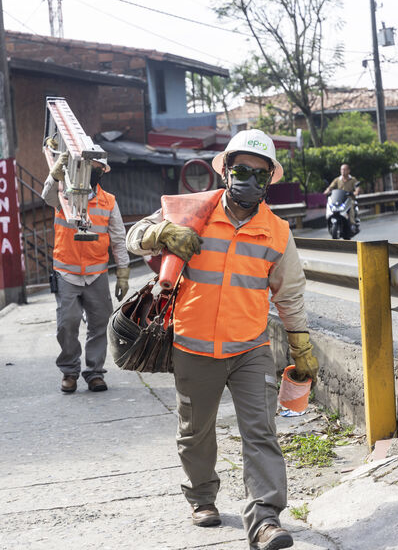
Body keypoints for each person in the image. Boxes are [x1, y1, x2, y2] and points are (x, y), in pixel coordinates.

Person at [126, 129, 318, 550]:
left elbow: (290, 295)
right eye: (240, 170)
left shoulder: (277, 232)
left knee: (260, 432)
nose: (248, 179)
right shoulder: (194, 211)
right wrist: (160, 235)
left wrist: (301, 346)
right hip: (193, 346)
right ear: (227, 170)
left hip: (250, 348)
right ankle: (201, 498)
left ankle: (266, 519)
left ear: (269, 180)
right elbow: (132, 237)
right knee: (195, 433)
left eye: (258, 174)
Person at [42, 150, 130, 394]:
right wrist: (54, 174)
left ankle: (94, 373)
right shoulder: (62, 195)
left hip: (96, 273)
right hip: (67, 272)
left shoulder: (108, 201)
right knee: (67, 324)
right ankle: (69, 371)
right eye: (87, 166)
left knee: (100, 323)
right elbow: (46, 195)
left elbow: (118, 238)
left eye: (96, 168)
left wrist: (122, 271)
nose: (92, 171)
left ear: (102, 171)